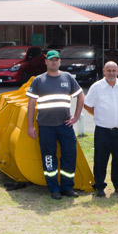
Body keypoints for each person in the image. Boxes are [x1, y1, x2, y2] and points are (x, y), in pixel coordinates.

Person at [25, 50, 85, 200]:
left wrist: (76, 116)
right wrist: (30, 126)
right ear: (46, 62)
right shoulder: (38, 80)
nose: (54, 62)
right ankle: (53, 189)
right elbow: (31, 104)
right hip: (46, 126)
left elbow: (80, 95)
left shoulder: (67, 77)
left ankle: (67, 187)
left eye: (56, 60)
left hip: (65, 125)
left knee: (69, 155)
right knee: (49, 157)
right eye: (51, 60)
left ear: (60, 62)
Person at [83, 61, 118, 197]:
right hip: (102, 130)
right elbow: (87, 105)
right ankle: (99, 186)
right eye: (108, 70)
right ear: (104, 71)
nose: (111, 73)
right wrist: (99, 115)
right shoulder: (96, 87)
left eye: (114, 70)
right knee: (100, 159)